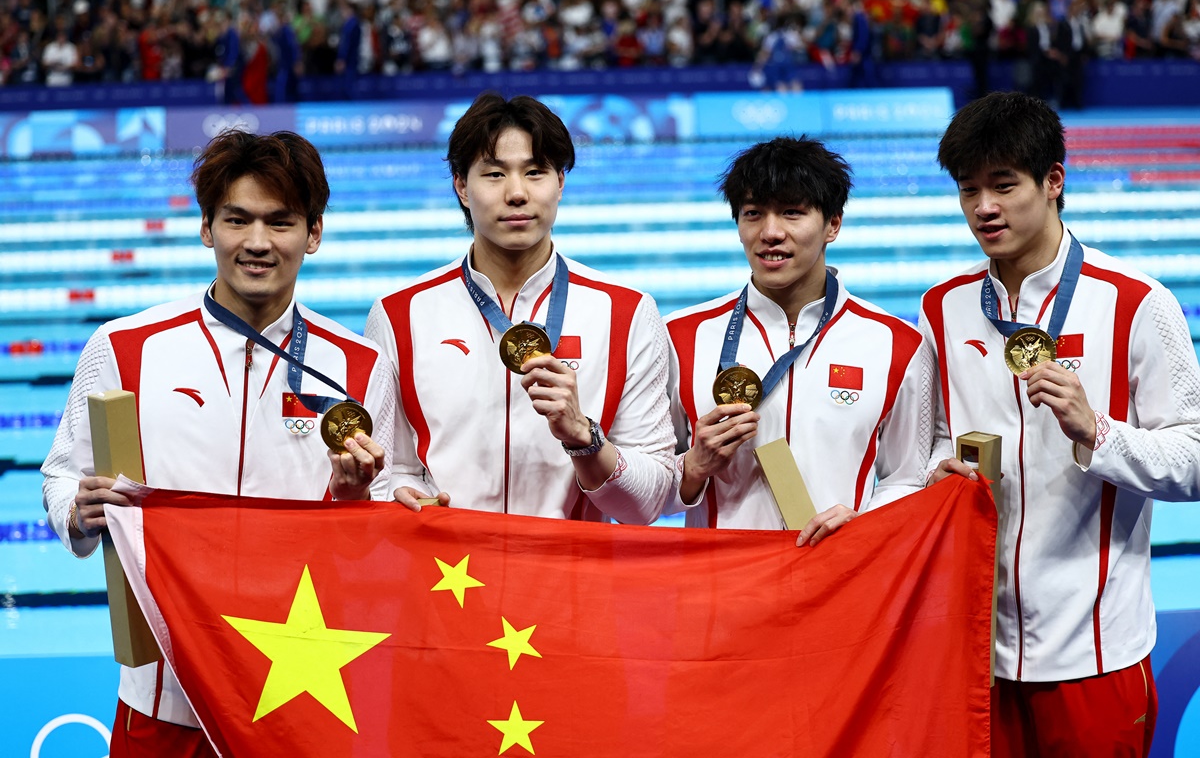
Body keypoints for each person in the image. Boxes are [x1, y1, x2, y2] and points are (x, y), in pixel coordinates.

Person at [41, 130, 395, 758]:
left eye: (280, 222)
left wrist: (355, 499)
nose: (257, 243)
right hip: (161, 696)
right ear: (207, 228)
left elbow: (381, 540)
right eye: (238, 220)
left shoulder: (360, 367)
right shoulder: (126, 347)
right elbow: (63, 474)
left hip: (301, 690)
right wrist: (78, 509)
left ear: (313, 234)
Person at [921, 91, 1200, 757]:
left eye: (1003, 185)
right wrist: (940, 470)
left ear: (1053, 182)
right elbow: (924, 447)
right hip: (977, 649)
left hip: (1094, 650)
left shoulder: (1135, 303)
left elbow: (1193, 460)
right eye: (968, 190)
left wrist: (1096, 432)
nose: (984, 208)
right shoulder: (942, 309)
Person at [365, 92, 674, 523]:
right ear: (461, 185)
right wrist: (405, 491)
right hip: (450, 578)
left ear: (560, 183)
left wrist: (584, 439)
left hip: (572, 580)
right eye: (494, 174)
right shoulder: (399, 315)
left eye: (535, 172)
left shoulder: (627, 313)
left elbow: (649, 503)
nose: (516, 193)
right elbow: (387, 470)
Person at [665, 136, 934, 545]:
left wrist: (865, 522)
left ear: (832, 224)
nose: (770, 233)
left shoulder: (896, 344)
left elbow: (908, 477)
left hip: (840, 586)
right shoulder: (681, 337)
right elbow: (644, 493)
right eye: (753, 214)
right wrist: (693, 467)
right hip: (722, 591)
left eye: (793, 213)